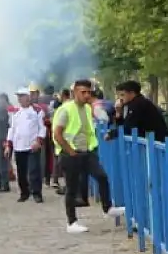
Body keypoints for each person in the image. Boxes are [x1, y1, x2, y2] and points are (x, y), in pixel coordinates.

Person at [51, 79, 123, 234]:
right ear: (74, 92)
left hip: (87, 151)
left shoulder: (87, 108)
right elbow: (57, 133)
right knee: (72, 188)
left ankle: (107, 208)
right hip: (71, 154)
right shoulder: (66, 109)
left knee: (102, 176)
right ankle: (72, 222)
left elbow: (102, 118)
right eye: (83, 92)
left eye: (89, 92)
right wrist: (70, 151)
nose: (86, 95)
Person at [7, 88, 46, 203]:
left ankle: (37, 193)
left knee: (34, 170)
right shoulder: (15, 112)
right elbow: (11, 129)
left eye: (22, 96)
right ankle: (24, 192)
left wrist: (38, 141)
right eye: (18, 96)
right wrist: (8, 145)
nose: (19, 98)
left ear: (28, 97)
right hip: (19, 146)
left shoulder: (37, 111)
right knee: (21, 171)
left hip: (32, 145)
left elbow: (42, 128)